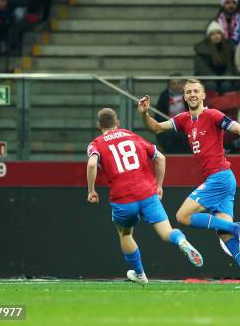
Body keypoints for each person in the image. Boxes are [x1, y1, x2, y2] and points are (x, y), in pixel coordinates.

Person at [137, 79, 240, 289]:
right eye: (188, 92)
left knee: (182, 216)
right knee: (224, 235)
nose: (192, 94)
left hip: (220, 177)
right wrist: (144, 113)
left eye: (196, 91)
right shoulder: (183, 119)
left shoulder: (212, 115)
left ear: (204, 95)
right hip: (220, 179)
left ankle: (236, 227)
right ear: (185, 97)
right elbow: (157, 128)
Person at [86, 108, 203, 286]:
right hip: (147, 193)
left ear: (98, 125)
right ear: (117, 122)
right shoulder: (132, 136)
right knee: (166, 232)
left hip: (123, 199)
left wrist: (91, 190)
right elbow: (161, 158)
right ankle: (181, 241)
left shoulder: (96, 143)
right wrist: (159, 185)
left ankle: (140, 274)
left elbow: (92, 163)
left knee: (125, 234)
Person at [193, 21, 235, 94]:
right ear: (209, 36)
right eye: (212, 34)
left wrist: (225, 77)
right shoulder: (202, 49)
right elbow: (201, 68)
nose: (216, 36)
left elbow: (231, 66)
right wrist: (215, 78)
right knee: (211, 85)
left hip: (225, 78)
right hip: (208, 79)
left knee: (226, 85)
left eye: (218, 33)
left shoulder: (229, 48)